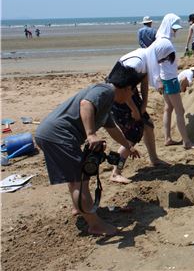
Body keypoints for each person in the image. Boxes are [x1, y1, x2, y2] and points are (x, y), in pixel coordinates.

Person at [34, 70, 140, 236]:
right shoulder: (105, 91)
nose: (131, 95)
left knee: (75, 177)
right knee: (80, 181)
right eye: (132, 91)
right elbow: (86, 104)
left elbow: (113, 129)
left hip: (49, 133)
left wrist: (128, 146)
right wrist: (91, 134)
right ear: (127, 88)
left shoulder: (106, 101)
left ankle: (79, 208)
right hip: (59, 135)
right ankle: (95, 224)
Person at [107, 38, 176, 183]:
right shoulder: (136, 62)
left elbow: (144, 81)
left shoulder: (146, 58)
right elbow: (121, 88)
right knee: (131, 136)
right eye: (162, 60)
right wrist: (134, 109)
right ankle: (116, 171)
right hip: (119, 99)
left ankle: (154, 159)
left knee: (148, 126)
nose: (161, 63)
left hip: (131, 96)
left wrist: (144, 103)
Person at [157, 14, 194, 149]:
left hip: (164, 79)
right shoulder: (165, 42)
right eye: (174, 28)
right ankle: (187, 142)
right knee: (180, 111)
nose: (176, 31)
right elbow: (154, 61)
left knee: (168, 108)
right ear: (168, 26)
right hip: (170, 80)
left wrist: (157, 80)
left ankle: (167, 138)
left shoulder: (160, 39)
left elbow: (157, 62)